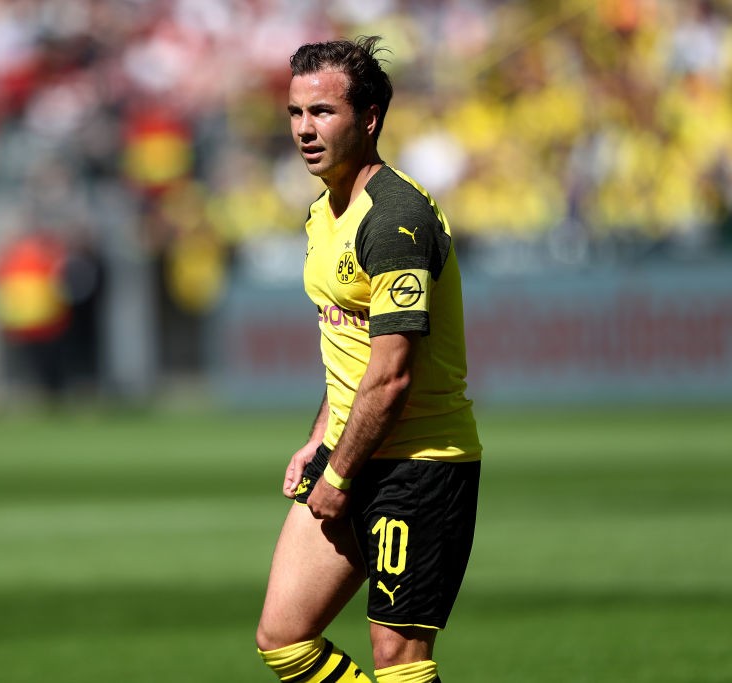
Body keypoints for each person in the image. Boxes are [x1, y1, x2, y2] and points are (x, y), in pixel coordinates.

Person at [255, 37, 483, 683]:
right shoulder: (322, 212)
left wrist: (339, 476)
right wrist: (317, 439)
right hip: (351, 448)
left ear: (370, 117)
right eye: (296, 113)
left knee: (400, 660)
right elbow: (349, 346)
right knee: (284, 638)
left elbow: (392, 374)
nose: (305, 129)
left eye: (323, 112)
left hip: (419, 461)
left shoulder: (395, 220)